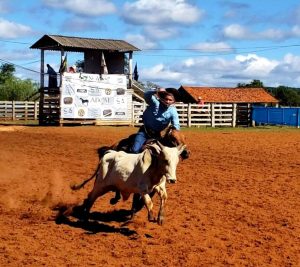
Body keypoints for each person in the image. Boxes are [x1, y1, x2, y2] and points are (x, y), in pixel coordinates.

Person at [131, 87, 180, 153]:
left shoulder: (173, 111)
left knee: (162, 153)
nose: (168, 101)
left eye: (170, 100)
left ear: (174, 101)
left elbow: (176, 125)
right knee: (135, 150)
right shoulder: (154, 102)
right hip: (144, 132)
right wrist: (156, 91)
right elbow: (146, 95)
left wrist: (175, 133)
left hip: (157, 135)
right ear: (163, 98)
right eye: (166, 99)